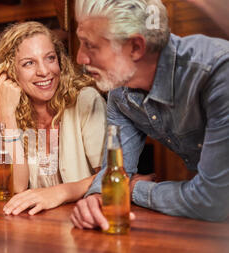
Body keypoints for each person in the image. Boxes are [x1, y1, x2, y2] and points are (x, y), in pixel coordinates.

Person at [71, 0, 229, 230]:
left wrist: (134, 188)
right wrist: (96, 199)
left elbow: (212, 200)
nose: (80, 58)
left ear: (136, 47)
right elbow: (115, 171)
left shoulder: (216, 71)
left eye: (90, 46)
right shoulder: (120, 95)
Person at [0, 21, 108, 215]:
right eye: (29, 63)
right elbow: (16, 186)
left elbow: (110, 175)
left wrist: (60, 193)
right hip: (39, 227)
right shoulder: (12, 112)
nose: (44, 71)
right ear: (10, 73)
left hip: (85, 220)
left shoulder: (86, 101)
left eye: (50, 58)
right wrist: (6, 113)